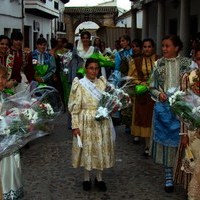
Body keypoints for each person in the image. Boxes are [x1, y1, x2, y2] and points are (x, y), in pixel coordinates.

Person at [149, 35, 194, 193]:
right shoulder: (158, 64)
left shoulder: (189, 65)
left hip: (185, 111)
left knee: (185, 143)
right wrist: (158, 94)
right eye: (162, 46)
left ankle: (185, 175)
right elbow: (152, 86)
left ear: (177, 47)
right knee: (167, 145)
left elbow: (195, 85)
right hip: (165, 111)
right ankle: (168, 175)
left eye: (167, 46)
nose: (164, 49)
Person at [68, 58, 115, 192]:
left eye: (96, 68)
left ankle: (99, 178)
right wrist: (75, 126)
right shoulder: (79, 84)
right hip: (85, 121)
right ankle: (86, 177)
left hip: (101, 121)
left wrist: (112, 107)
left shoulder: (102, 83)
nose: (93, 71)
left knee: (99, 148)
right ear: (85, 69)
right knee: (87, 149)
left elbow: (108, 100)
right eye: (91, 68)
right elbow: (74, 107)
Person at [174, 46, 200, 200]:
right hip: (192, 128)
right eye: (198, 58)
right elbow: (182, 107)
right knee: (194, 162)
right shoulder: (187, 77)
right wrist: (184, 133)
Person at [129, 38, 159, 155]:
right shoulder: (136, 61)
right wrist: (143, 84)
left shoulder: (159, 60)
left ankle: (155, 146)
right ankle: (148, 146)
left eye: (149, 46)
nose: (147, 49)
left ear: (153, 48)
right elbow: (132, 78)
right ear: (142, 48)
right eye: (145, 47)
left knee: (155, 118)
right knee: (144, 119)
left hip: (157, 94)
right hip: (142, 93)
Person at [0, 65, 23, 199]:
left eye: (5, 77)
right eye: (1, 77)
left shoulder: (4, 95)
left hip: (6, 145)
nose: (4, 81)